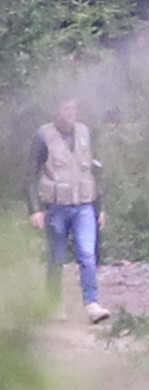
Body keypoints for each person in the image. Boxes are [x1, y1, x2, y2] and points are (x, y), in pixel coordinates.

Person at [27, 97, 111, 324]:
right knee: (57, 257)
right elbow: (31, 174)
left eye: (74, 108)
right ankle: (54, 304)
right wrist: (35, 209)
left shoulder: (85, 133)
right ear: (57, 110)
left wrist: (100, 207)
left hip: (84, 204)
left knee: (87, 254)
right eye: (66, 108)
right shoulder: (43, 136)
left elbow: (95, 171)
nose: (71, 112)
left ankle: (92, 303)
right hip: (56, 207)